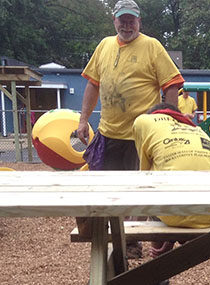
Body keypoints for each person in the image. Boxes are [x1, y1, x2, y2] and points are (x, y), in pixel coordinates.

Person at [74, 0, 183, 247]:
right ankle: (110, 239)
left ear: (139, 21)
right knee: (107, 190)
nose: (126, 24)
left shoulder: (152, 46)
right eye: (122, 19)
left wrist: (167, 119)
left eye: (131, 20)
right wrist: (83, 120)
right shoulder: (104, 46)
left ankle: (132, 242)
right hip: (108, 133)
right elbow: (93, 83)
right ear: (114, 21)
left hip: (140, 136)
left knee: (139, 191)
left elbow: (172, 84)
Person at [131, 104, 210, 285]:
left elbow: (146, 179)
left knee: (155, 198)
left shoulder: (143, 121)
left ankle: (158, 281)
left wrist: (164, 241)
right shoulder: (200, 132)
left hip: (176, 214)